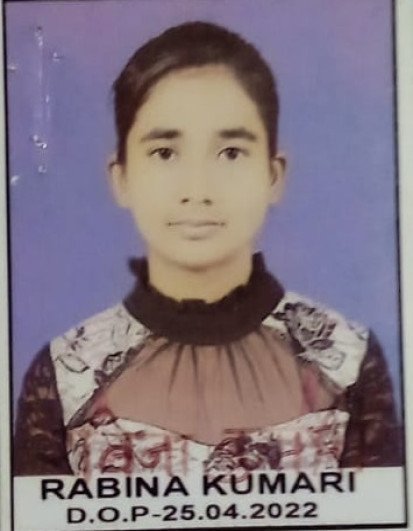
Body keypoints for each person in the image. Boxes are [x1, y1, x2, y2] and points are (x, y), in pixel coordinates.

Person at [14, 21, 401, 476]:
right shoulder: (66, 373)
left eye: (231, 152)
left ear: (274, 175)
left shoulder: (348, 360)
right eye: (164, 153)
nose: (197, 190)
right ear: (121, 178)